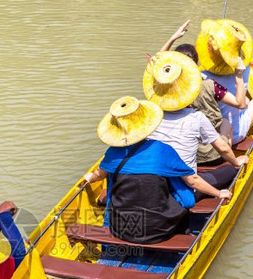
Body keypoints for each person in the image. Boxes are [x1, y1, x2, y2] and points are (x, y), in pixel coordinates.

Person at [83, 96, 195, 243]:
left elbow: (98, 175)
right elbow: (191, 180)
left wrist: (89, 177)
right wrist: (218, 193)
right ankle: (186, 234)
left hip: (121, 230)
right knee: (180, 198)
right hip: (160, 231)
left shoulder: (112, 153)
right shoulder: (161, 149)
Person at [141, 50, 247, 201]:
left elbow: (154, 67)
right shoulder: (196, 116)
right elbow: (193, 179)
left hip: (157, 177)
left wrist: (172, 38)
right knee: (229, 169)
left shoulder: (150, 114)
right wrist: (235, 163)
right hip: (183, 184)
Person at [196, 19, 253, 148]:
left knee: (244, 101)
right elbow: (240, 104)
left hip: (210, 135)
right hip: (234, 134)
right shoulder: (244, 69)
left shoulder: (202, 76)